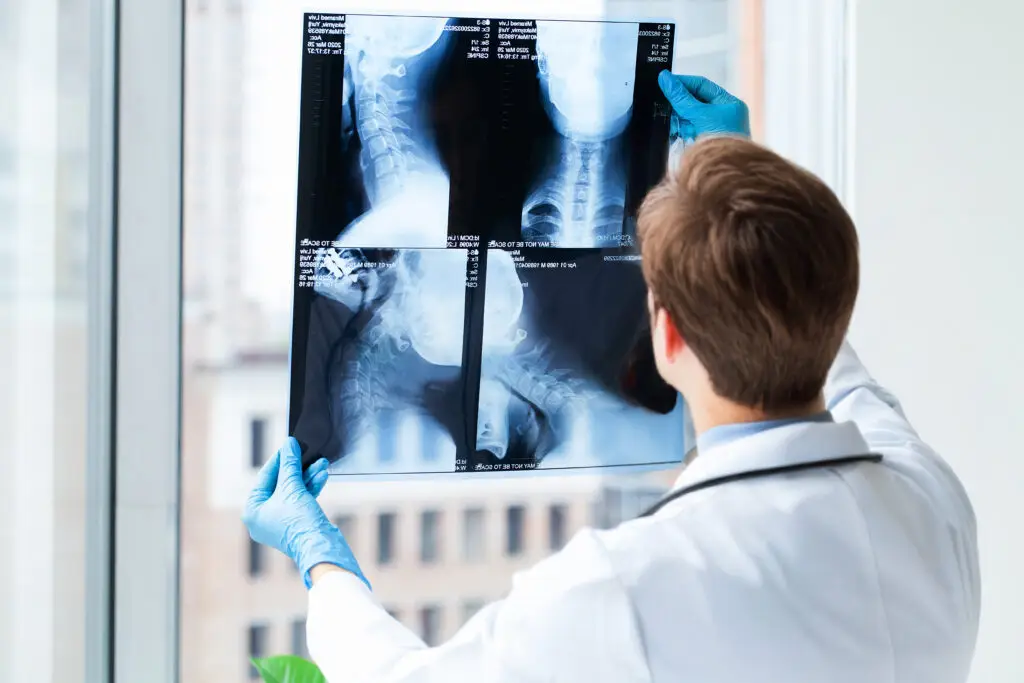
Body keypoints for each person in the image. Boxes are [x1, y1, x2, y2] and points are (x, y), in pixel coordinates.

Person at [243, 72, 980, 683]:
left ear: (665, 334)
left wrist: (320, 562)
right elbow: (839, 373)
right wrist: (738, 172)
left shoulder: (630, 587)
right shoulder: (930, 500)